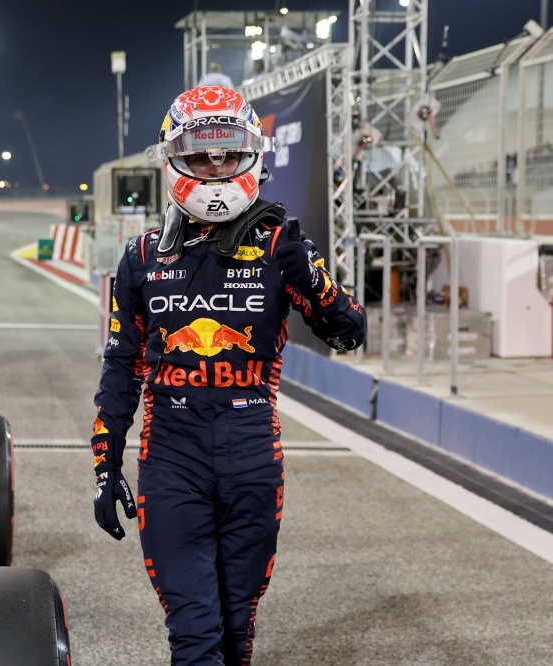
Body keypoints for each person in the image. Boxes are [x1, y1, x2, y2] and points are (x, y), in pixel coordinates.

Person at [90, 86, 367, 666]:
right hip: (170, 452)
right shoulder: (140, 256)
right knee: (195, 635)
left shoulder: (283, 245)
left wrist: (311, 278)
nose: (215, 168)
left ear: (252, 155)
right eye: (200, 155)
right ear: (174, 158)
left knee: (237, 633)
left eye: (227, 154)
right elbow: (121, 366)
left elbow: (349, 333)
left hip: (251, 452)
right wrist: (104, 459)